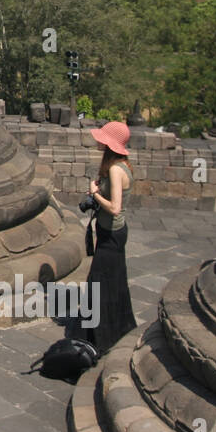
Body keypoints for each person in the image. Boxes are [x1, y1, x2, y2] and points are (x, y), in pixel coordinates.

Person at [84, 120, 137, 354]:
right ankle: (114, 330)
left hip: (112, 234)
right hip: (110, 232)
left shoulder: (116, 170)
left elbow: (115, 207)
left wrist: (95, 194)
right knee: (113, 283)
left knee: (99, 283)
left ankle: (100, 336)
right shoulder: (120, 165)